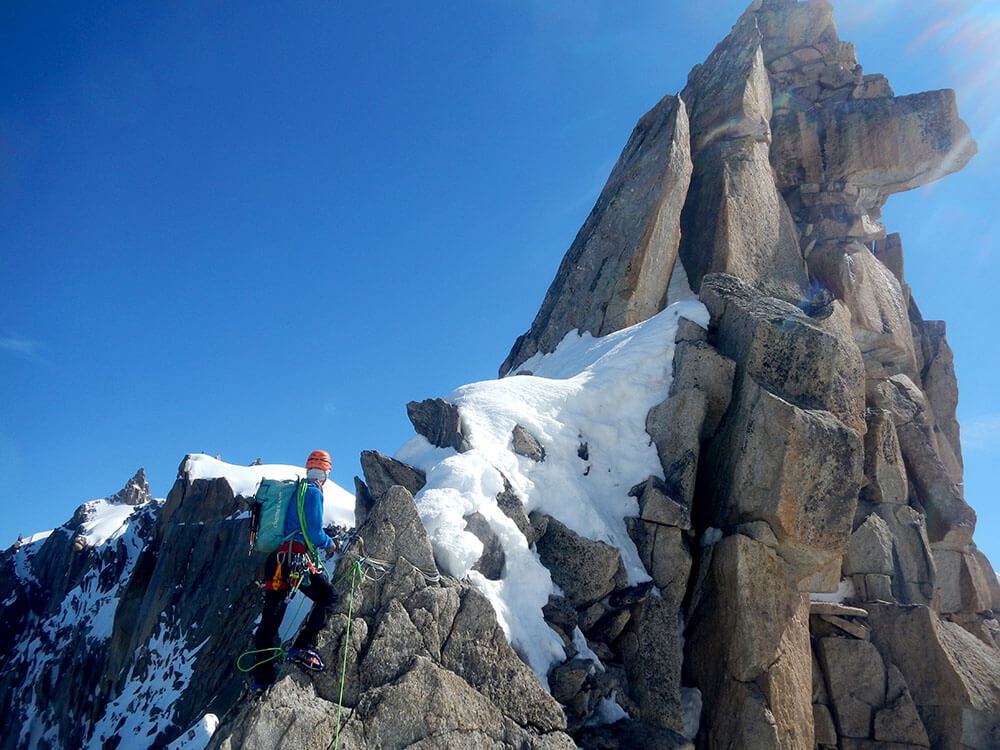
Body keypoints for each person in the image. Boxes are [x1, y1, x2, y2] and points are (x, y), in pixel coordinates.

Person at [251, 449, 339, 692]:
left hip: (277, 561)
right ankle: (303, 647)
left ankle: (261, 679)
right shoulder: (312, 492)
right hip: (296, 560)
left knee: (272, 616)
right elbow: (313, 532)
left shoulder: (296, 491)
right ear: (326, 473)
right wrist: (329, 543)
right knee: (329, 597)